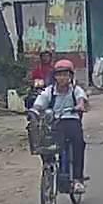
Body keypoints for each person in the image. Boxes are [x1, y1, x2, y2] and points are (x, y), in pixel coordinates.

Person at [30, 59, 88, 193]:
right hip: (55, 122)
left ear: (70, 76)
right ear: (55, 77)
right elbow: (39, 104)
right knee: (46, 144)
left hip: (72, 120)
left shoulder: (75, 90)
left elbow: (81, 100)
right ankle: (53, 171)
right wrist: (34, 111)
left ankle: (78, 179)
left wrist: (80, 106)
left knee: (79, 143)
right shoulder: (49, 91)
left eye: (65, 75)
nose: (62, 78)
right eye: (59, 74)